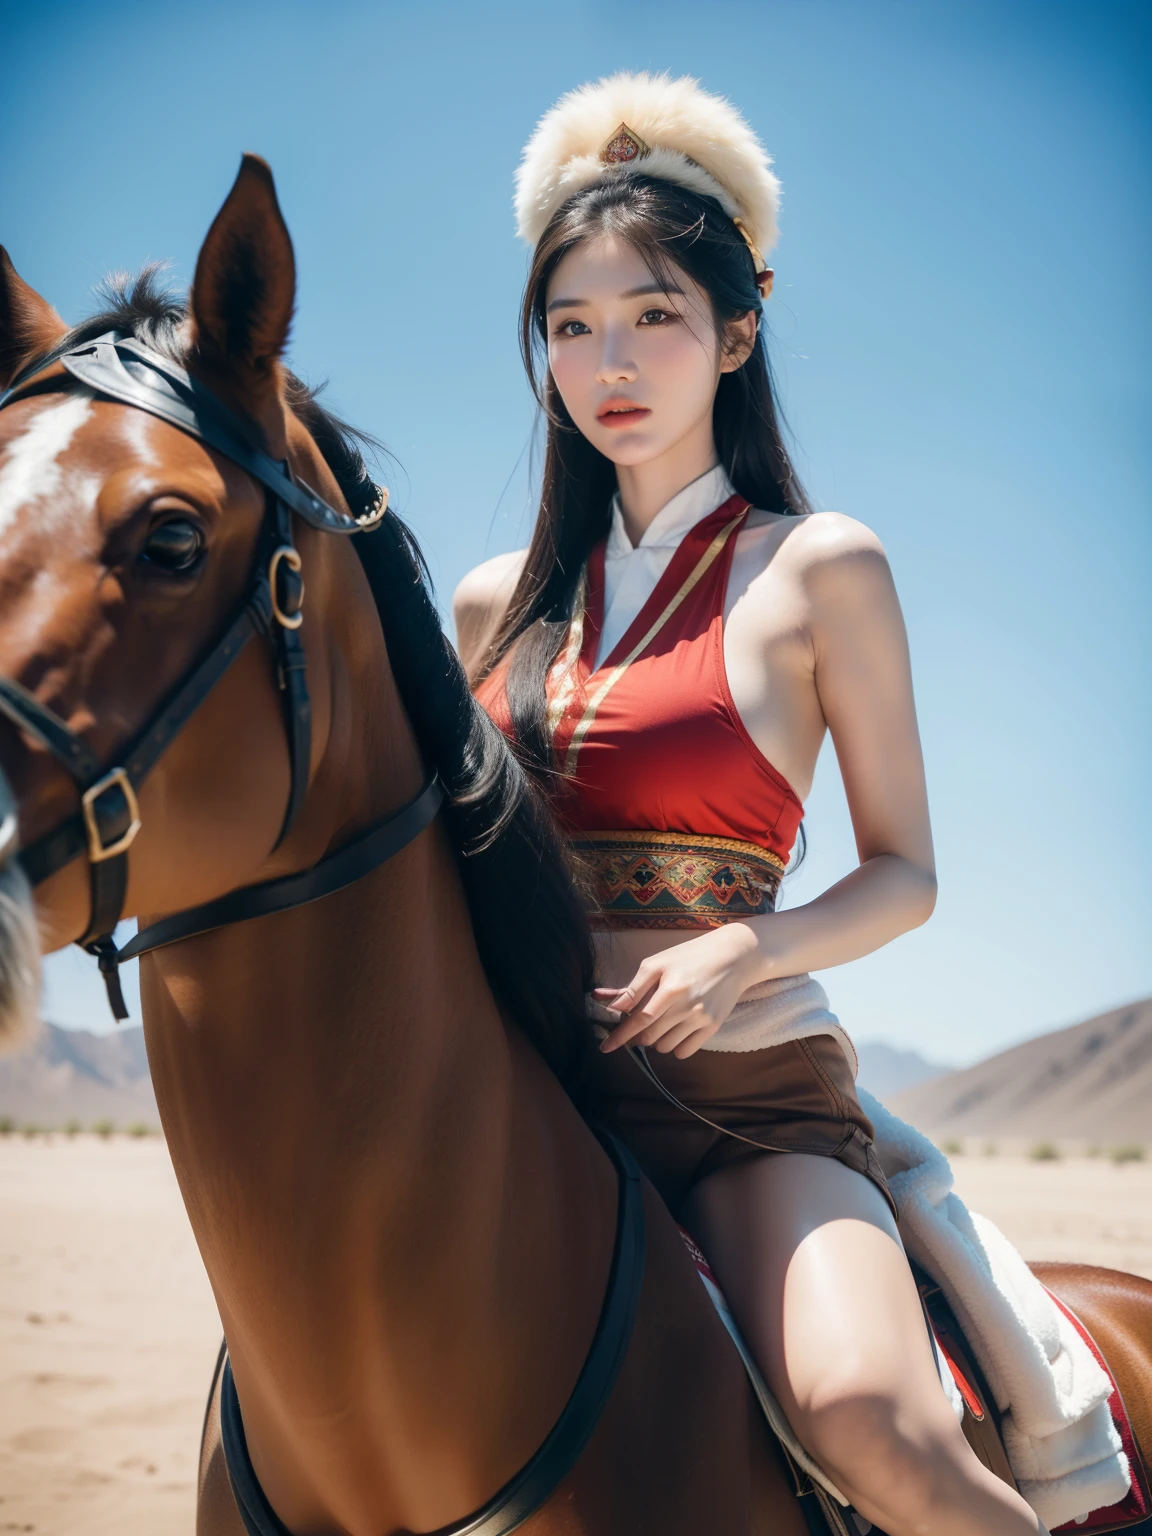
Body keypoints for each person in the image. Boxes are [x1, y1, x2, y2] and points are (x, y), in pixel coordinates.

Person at [456, 72, 1049, 1536]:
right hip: (523, 1110)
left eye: (655, 314)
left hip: (745, 1118)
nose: (613, 358)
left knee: (877, 1426)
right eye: (572, 323)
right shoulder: (490, 606)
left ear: (738, 328)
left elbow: (905, 874)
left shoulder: (820, 566)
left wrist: (749, 950)